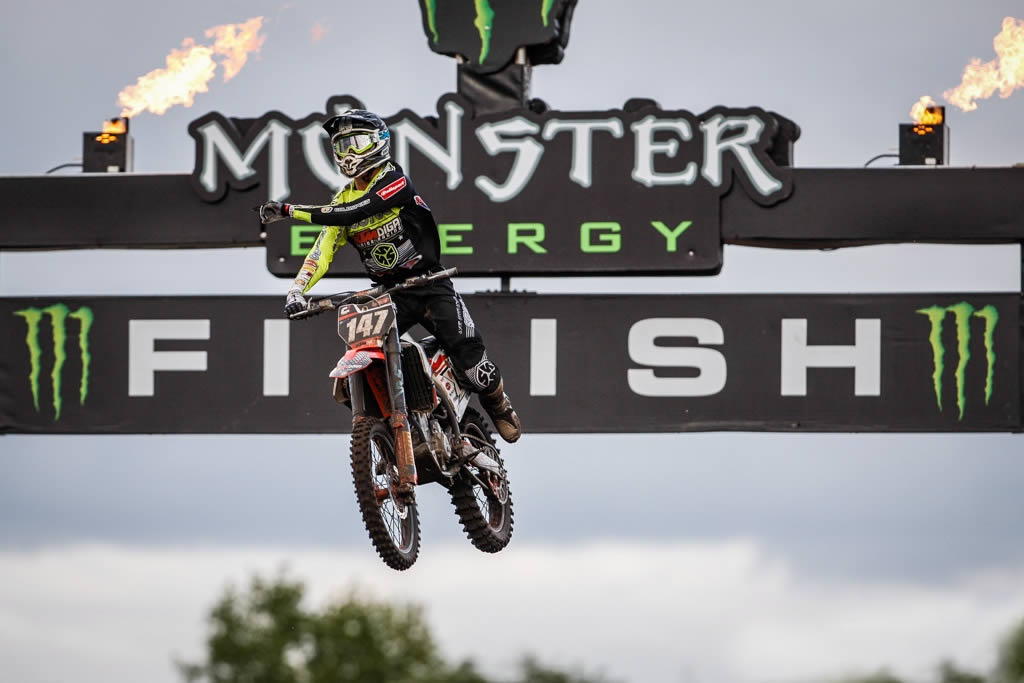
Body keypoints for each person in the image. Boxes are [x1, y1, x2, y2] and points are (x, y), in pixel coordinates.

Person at [257, 109, 521, 443]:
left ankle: (497, 403)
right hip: (390, 293)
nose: (349, 153)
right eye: (342, 145)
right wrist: (296, 291)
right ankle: (400, 416)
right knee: (365, 351)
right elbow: (321, 252)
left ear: (378, 143)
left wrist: (289, 210)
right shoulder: (342, 198)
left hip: (430, 283)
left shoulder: (395, 180)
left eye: (357, 142)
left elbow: (352, 213)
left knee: (474, 365)